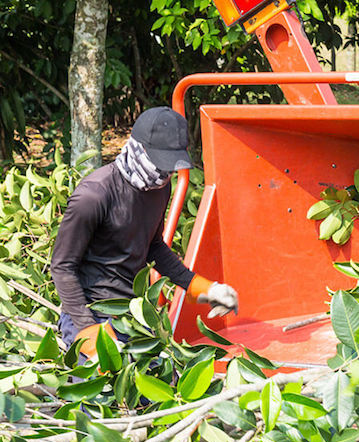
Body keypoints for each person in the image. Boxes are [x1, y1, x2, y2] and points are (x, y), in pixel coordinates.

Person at [49, 107, 239, 357]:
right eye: (161, 162)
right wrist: (90, 333)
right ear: (139, 148)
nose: (165, 174)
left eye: (170, 166)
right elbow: (62, 267)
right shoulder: (94, 195)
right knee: (105, 391)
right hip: (88, 311)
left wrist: (202, 288)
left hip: (131, 313)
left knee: (162, 384)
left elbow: (154, 246)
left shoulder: (158, 187)